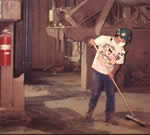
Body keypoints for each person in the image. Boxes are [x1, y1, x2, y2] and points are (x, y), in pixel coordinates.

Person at [86, 28, 132, 124]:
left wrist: (113, 73)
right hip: (98, 70)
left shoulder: (121, 50)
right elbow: (90, 44)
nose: (125, 42)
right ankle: (90, 111)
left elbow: (118, 64)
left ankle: (109, 116)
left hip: (109, 74)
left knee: (110, 95)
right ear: (119, 36)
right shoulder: (104, 39)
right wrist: (90, 42)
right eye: (124, 39)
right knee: (95, 92)